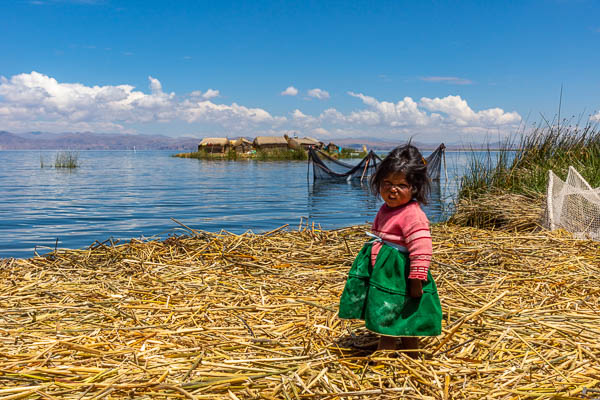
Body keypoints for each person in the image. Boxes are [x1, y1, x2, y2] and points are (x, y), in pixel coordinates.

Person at [338, 144, 442, 355]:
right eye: (387, 183)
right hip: (384, 274)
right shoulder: (386, 209)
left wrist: (416, 278)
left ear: (414, 188)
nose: (392, 189)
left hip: (400, 276)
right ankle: (408, 352)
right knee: (394, 310)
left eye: (401, 185)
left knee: (395, 311)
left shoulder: (413, 215)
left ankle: (387, 354)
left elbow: (422, 249)